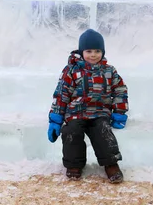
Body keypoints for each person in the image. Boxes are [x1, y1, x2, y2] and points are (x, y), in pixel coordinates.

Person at [47, 28, 129, 183]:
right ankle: (74, 165)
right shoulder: (71, 71)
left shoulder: (109, 71)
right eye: (89, 51)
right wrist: (55, 120)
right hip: (75, 113)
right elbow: (61, 94)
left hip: (100, 112)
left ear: (103, 52)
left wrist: (119, 112)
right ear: (81, 51)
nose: (93, 55)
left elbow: (120, 90)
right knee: (71, 131)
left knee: (103, 131)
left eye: (97, 51)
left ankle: (111, 163)